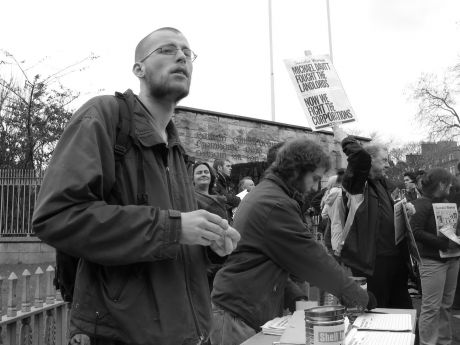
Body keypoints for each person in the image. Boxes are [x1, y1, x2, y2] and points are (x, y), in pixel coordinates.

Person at [32, 27, 240, 345]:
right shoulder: (103, 117)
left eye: (187, 52)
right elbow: (57, 216)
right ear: (138, 69)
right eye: (168, 49)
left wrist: (211, 247)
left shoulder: (176, 150)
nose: (182, 56)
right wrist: (174, 228)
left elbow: (173, 242)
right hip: (122, 335)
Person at [210, 138, 375, 345]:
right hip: (239, 314)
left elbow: (268, 259)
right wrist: (358, 296)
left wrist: (296, 297)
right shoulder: (275, 203)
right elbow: (313, 259)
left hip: (241, 309)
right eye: (314, 178)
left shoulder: (271, 194)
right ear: (297, 171)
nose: (316, 186)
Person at [334, 126, 413, 309]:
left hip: (395, 260)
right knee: (378, 313)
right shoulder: (356, 185)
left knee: (403, 312)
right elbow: (360, 159)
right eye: (384, 160)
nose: (388, 164)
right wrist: (345, 139)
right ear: (370, 160)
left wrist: (404, 210)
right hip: (372, 263)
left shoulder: (382, 183)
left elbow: (385, 214)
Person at [410, 168, 460, 345]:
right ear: (441, 184)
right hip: (432, 262)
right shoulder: (421, 204)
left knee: (446, 306)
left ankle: (444, 341)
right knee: (431, 307)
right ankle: (428, 342)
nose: (452, 185)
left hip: (452, 258)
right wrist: (443, 242)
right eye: (448, 183)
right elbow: (415, 232)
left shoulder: (447, 201)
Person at [192, 161, 229, 291]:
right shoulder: (190, 199)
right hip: (202, 258)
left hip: (223, 255)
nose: (203, 174)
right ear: (192, 178)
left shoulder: (219, 199)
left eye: (206, 172)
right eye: (199, 172)